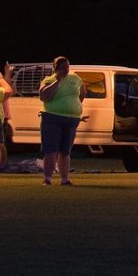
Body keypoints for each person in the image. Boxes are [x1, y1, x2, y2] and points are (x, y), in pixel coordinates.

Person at [37, 56, 85, 186]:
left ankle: (65, 179)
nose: (66, 70)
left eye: (68, 67)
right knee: (51, 149)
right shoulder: (48, 80)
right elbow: (44, 97)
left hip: (71, 119)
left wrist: (75, 106)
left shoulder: (76, 79)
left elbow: (82, 93)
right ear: (56, 68)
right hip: (53, 117)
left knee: (65, 151)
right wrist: (57, 82)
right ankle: (47, 178)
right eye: (63, 68)